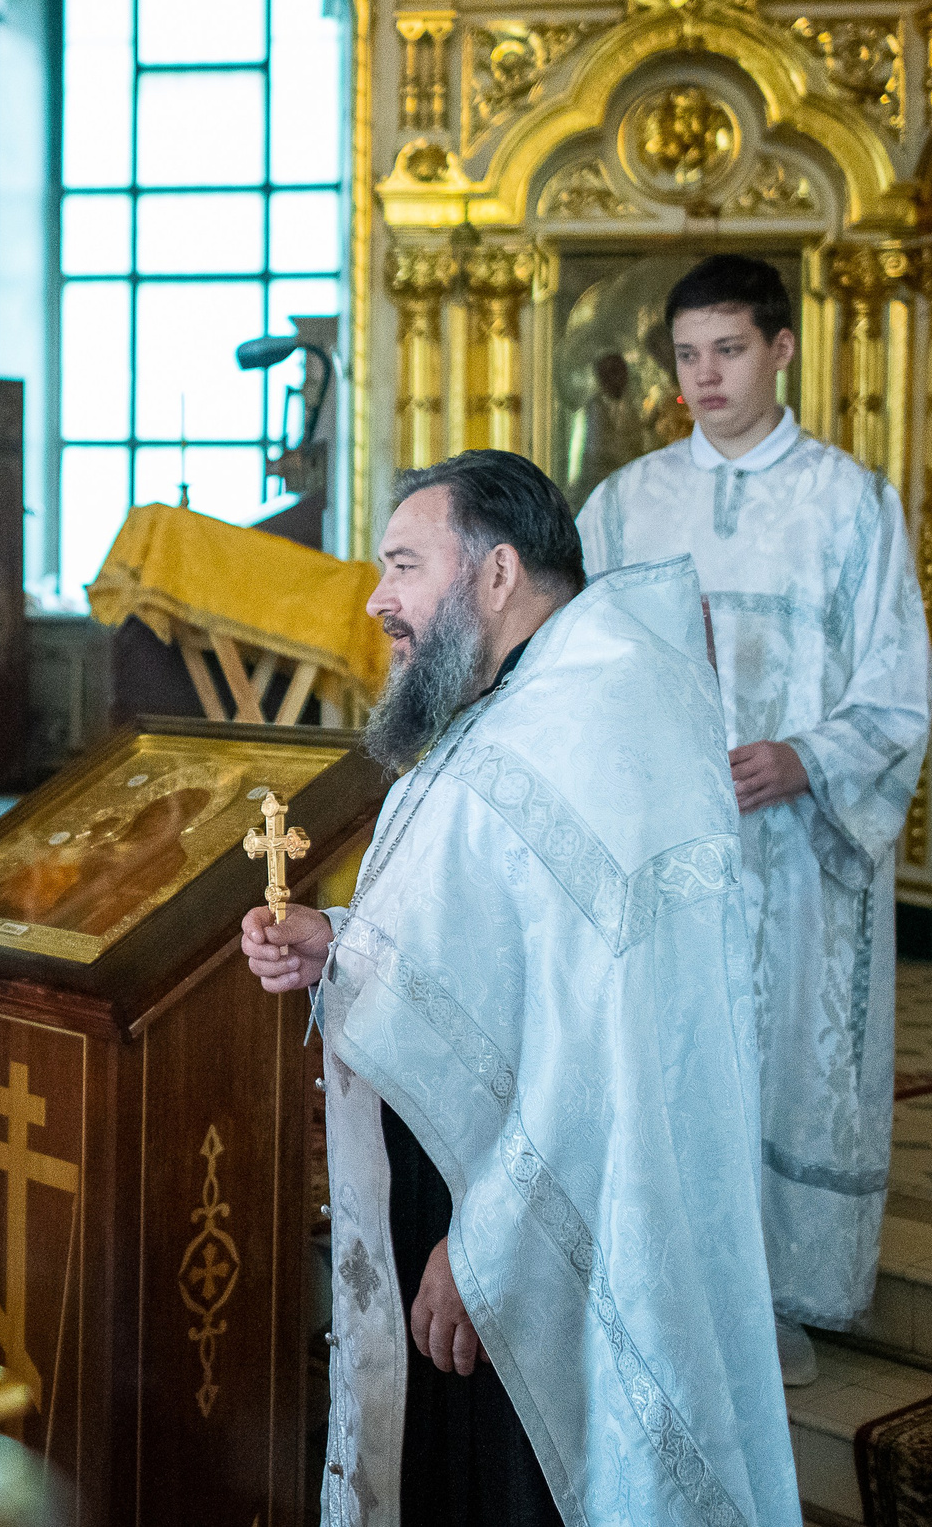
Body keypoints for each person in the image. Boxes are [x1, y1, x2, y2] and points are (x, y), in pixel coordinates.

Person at [242, 450, 796, 1527]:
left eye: (404, 565)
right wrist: (339, 944)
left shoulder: (598, 718)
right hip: (468, 1181)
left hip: (538, 1221)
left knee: (521, 1485)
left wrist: (487, 1244)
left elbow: (607, 1036)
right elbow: (491, 946)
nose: (378, 599)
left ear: (495, 573)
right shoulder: (515, 697)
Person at [575, 253, 931, 1386]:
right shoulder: (625, 504)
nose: (705, 377)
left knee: (779, 1059)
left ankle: (776, 1295)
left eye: (728, 350)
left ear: (781, 349)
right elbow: (575, 668)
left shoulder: (850, 502)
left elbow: (897, 686)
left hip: (798, 857)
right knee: (669, 1054)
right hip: (663, 848)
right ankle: (665, 1286)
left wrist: (804, 757)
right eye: (687, 355)